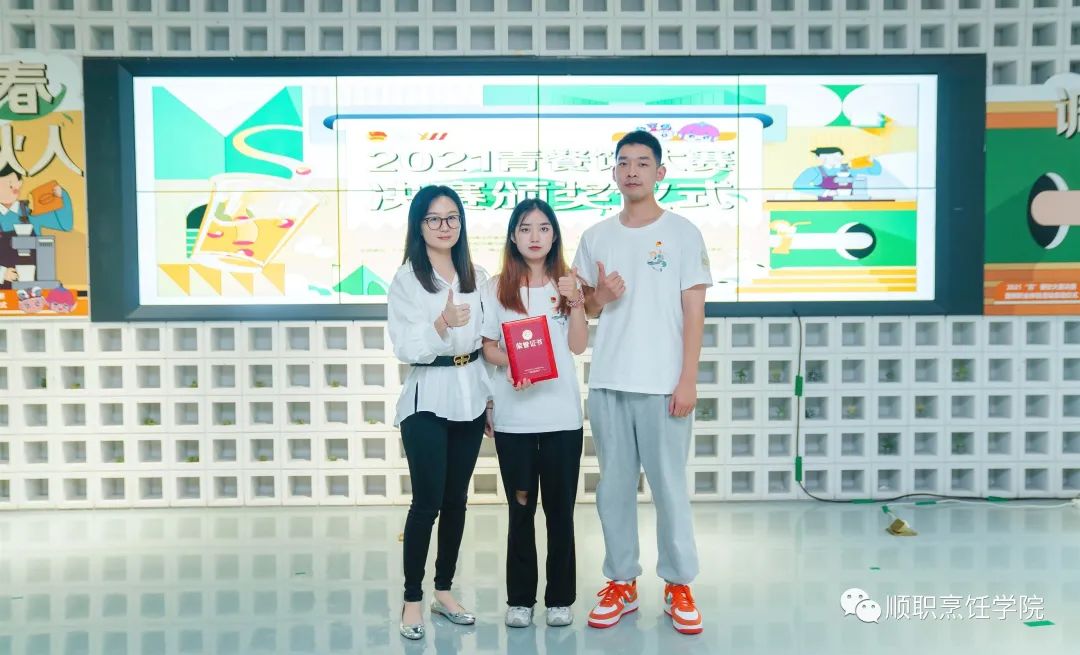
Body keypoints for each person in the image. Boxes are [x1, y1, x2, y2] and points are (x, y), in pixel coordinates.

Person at [572, 130, 711, 635]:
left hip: (663, 385)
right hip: (610, 380)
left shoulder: (683, 233)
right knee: (613, 490)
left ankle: (678, 583)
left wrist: (687, 379)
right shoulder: (596, 236)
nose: (632, 170)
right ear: (614, 172)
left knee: (669, 489)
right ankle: (621, 581)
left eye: (643, 162)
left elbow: (694, 310)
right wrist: (600, 296)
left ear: (660, 173)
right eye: (624, 162)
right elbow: (584, 308)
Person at [387, 185, 493, 641]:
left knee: (456, 502)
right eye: (434, 219)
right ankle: (412, 598)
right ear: (419, 225)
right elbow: (405, 348)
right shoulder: (407, 279)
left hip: (470, 396)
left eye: (452, 218)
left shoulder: (477, 275)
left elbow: (486, 343)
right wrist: (441, 323)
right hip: (427, 398)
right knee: (426, 503)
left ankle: (443, 592)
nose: (445, 226)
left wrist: (490, 398)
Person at [480, 198, 587, 629]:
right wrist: (513, 364)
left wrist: (576, 300)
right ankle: (520, 599)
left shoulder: (568, 284)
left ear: (554, 235)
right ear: (513, 236)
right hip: (515, 418)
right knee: (520, 510)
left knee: (560, 513)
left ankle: (560, 598)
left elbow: (577, 346)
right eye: (525, 228)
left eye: (543, 228)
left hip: (562, 416)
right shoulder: (496, 288)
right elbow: (488, 347)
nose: (535, 236)